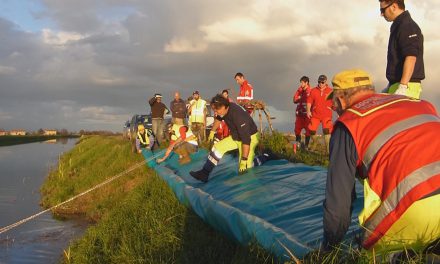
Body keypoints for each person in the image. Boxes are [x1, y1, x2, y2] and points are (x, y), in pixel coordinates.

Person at [321, 69, 440, 254]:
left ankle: (399, 256)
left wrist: (330, 249)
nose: (334, 108)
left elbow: (339, 200)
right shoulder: (419, 103)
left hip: (413, 208)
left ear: (341, 100)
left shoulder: (348, 124)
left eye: (334, 102)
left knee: (368, 253)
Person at [190, 94, 260, 183]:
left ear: (223, 106)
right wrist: (212, 131)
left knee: (245, 167)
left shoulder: (238, 116)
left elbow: (246, 141)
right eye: (214, 110)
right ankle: (204, 174)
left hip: (250, 138)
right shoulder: (223, 110)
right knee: (217, 148)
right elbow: (219, 118)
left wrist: (243, 160)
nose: (215, 112)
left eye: (217, 110)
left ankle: (264, 158)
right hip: (236, 137)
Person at [379, 0, 424, 99]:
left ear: (394, 6)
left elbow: (411, 57)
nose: (381, 14)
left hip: (407, 86)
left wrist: (403, 86)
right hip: (397, 84)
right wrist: (390, 86)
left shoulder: (407, 26)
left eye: (382, 10)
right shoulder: (399, 26)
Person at [306, 75, 333, 152]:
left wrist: (339, 111)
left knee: (327, 130)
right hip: (315, 115)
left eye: (322, 82)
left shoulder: (331, 91)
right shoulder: (313, 90)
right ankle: (315, 142)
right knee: (311, 130)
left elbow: (334, 103)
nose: (320, 83)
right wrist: (308, 111)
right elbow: (309, 102)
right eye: (319, 82)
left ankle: (328, 150)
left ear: (326, 82)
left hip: (326, 115)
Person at [293, 76, 311, 149]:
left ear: (307, 83)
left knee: (308, 131)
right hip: (299, 115)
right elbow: (294, 100)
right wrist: (298, 98)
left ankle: (306, 146)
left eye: (302, 83)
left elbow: (312, 102)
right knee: (297, 129)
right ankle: (298, 145)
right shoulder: (299, 90)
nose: (301, 84)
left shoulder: (310, 91)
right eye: (300, 82)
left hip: (306, 115)